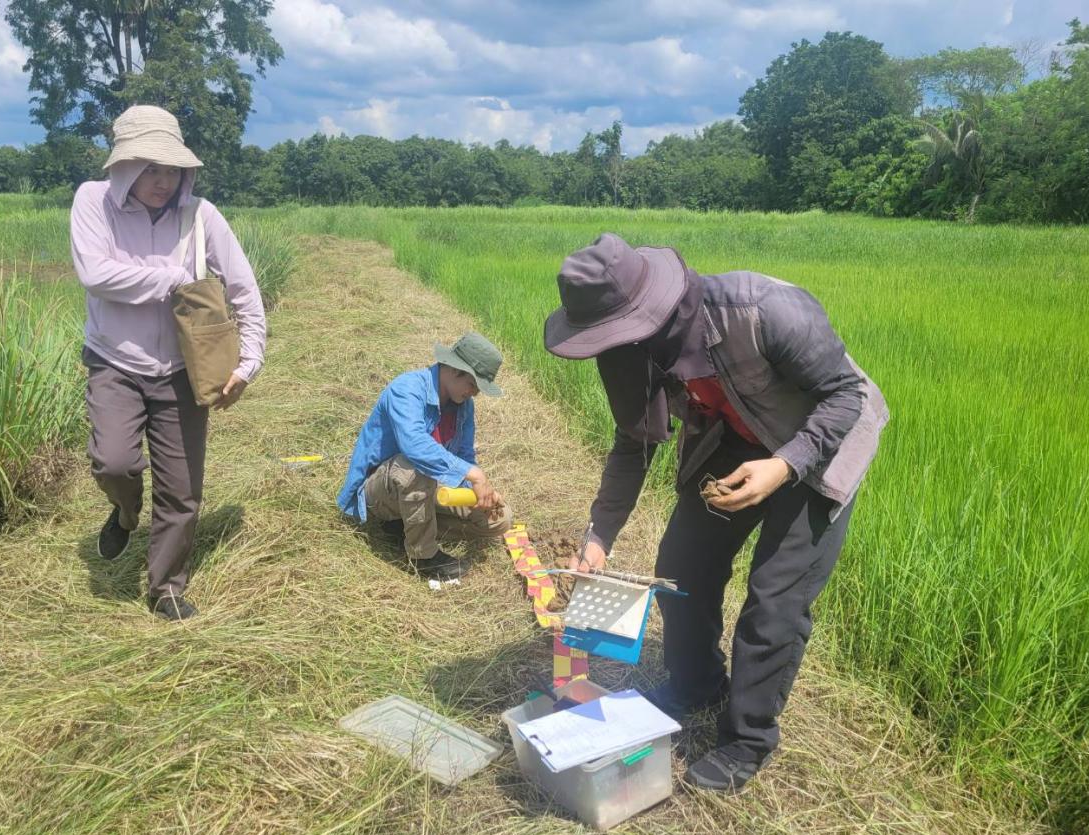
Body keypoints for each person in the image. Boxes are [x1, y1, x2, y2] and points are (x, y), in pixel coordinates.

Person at [544, 233, 888, 792]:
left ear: (650, 311)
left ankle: (747, 738)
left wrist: (783, 466)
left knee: (776, 596)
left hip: (819, 443)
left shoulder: (763, 310)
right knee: (682, 563)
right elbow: (634, 444)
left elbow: (846, 395)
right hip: (732, 440)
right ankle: (696, 684)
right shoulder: (635, 354)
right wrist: (598, 536)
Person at [70, 104, 266, 621]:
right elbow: (96, 274)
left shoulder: (200, 215)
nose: (163, 181)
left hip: (182, 371)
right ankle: (125, 509)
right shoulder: (93, 201)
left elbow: (243, 287)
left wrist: (248, 363)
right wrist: (175, 279)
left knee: (182, 490)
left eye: (171, 169)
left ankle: (167, 586)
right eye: (151, 169)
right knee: (114, 462)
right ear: (124, 167)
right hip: (115, 361)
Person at [338, 333, 512, 579]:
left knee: (500, 518)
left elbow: (463, 454)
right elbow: (415, 445)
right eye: (473, 385)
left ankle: (405, 528)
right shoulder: (406, 389)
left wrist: (478, 490)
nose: (474, 394)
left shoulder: (463, 405)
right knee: (415, 466)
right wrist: (473, 474)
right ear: (454, 369)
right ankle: (424, 556)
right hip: (383, 489)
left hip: (427, 487)